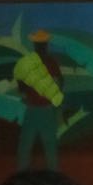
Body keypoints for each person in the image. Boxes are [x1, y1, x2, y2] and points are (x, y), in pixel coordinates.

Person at [13, 29, 64, 170]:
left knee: (25, 146)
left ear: (34, 45)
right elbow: (60, 84)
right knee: (50, 146)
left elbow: (21, 88)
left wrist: (29, 94)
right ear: (46, 45)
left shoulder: (27, 64)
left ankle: (21, 177)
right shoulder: (52, 63)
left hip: (32, 109)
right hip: (47, 110)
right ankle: (53, 177)